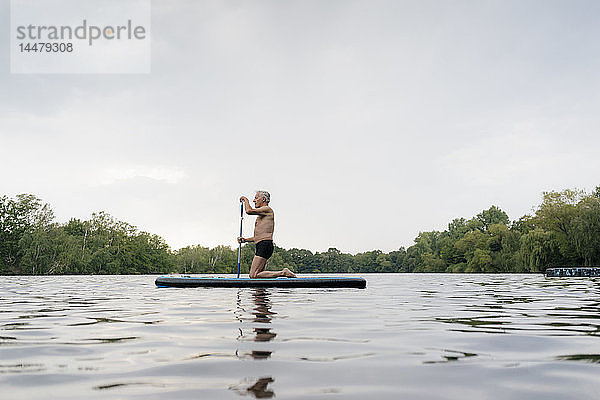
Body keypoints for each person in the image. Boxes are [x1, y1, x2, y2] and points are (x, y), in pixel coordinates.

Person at [238, 191, 296, 279]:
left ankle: (283, 273)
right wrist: (245, 240)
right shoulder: (260, 216)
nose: (254, 201)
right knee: (259, 274)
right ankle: (262, 292)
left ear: (264, 199)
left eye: (256, 198)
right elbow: (258, 236)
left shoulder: (267, 209)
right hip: (262, 244)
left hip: (265, 245)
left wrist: (245, 200)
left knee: (253, 275)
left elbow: (249, 211)